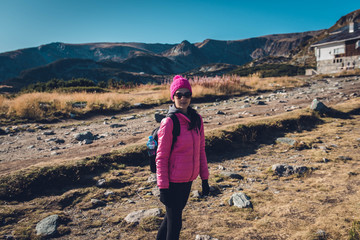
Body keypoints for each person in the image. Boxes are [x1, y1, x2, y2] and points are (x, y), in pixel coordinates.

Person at [156, 75, 210, 240]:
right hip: (172, 183)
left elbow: (201, 150)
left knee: (169, 221)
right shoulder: (169, 122)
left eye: (187, 94)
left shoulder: (196, 120)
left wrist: (205, 179)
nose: (183, 98)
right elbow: (161, 158)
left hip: (188, 180)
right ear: (173, 97)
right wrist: (163, 187)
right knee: (175, 225)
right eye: (179, 94)